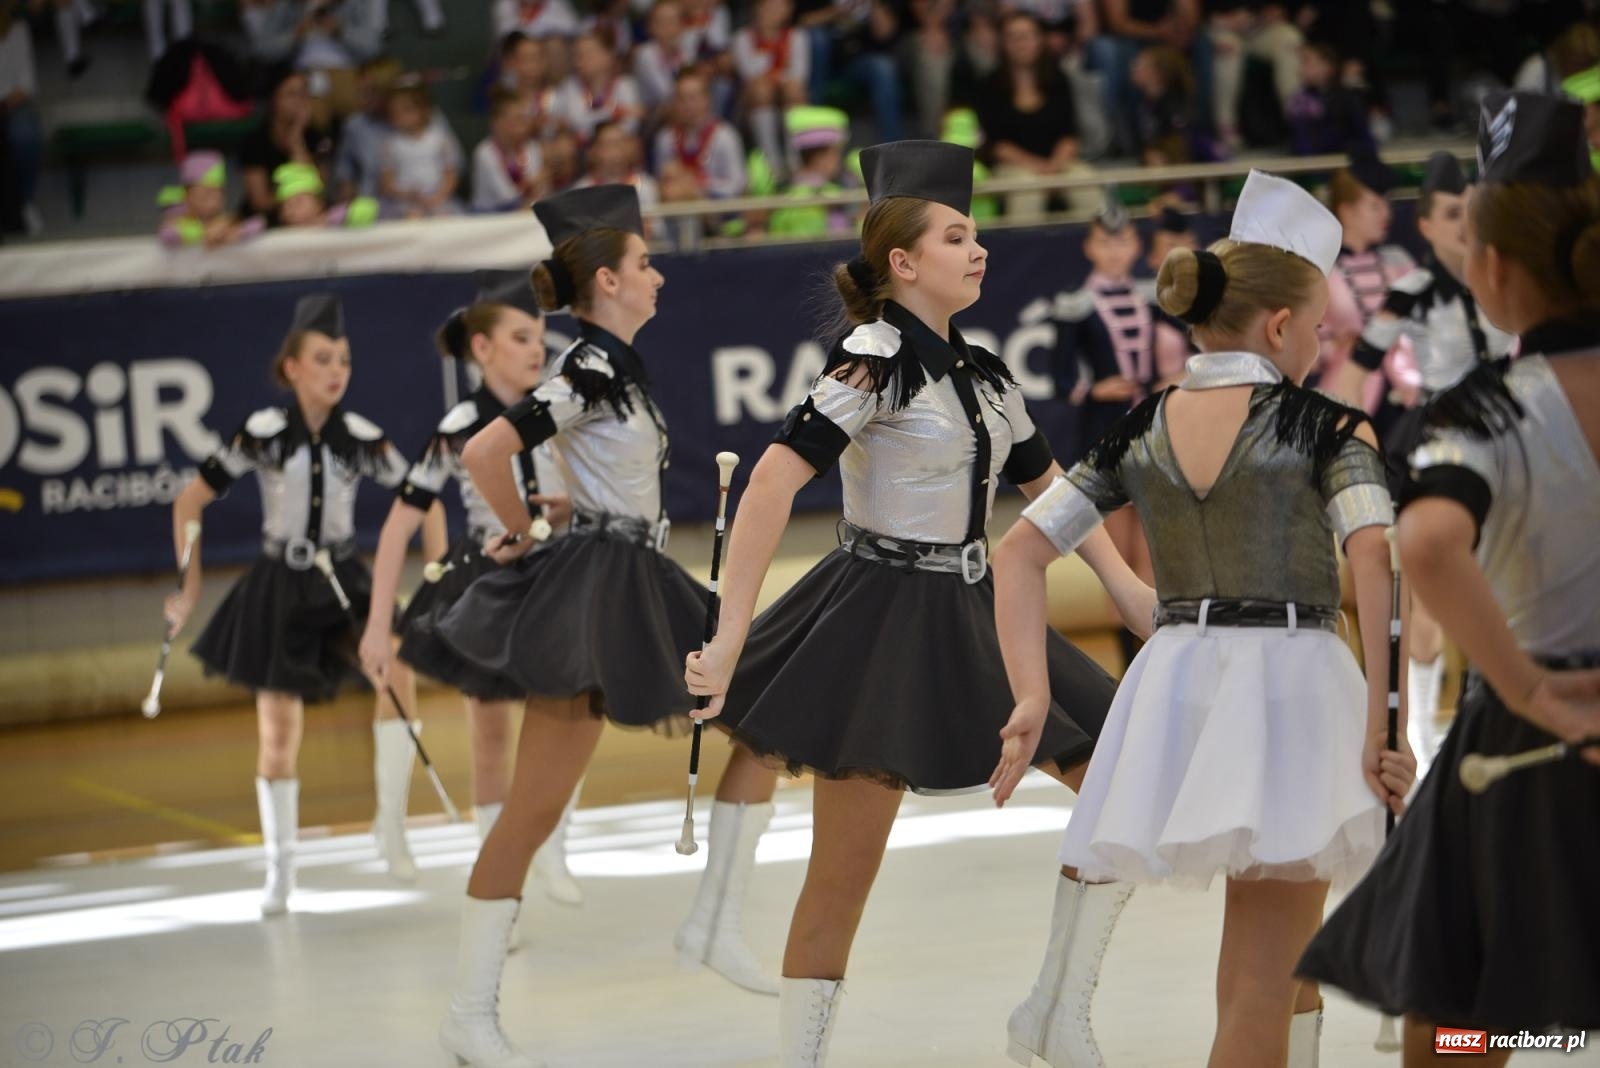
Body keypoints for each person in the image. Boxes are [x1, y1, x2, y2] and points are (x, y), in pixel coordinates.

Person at [683, 141, 1127, 1065]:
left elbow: (1053, 493)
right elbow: (769, 483)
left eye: (979, 237)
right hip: (874, 620)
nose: (980, 251)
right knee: (844, 874)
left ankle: (1054, 1007)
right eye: (957, 237)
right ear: (903, 261)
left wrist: (1130, 589)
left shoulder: (988, 372)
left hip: (976, 610)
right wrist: (729, 632)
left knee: (1119, 789)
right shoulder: (870, 360)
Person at [997, 169, 1415, 1067]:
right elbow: (1377, 564)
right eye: (1314, 326)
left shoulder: (1142, 423)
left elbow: (1019, 553)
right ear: (1278, 326)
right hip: (1291, 688)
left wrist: (1031, 694)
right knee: (1263, 983)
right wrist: (1389, 727)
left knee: (1271, 964)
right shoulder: (1327, 426)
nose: (1319, 341)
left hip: (1181, 681)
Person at [432, 185, 782, 1068]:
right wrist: (523, 529)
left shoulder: (615, 366)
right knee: (533, 811)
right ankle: (468, 1013)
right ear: (607, 279)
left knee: (771, 717)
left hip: (630, 576)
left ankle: (714, 921)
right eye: (646, 263)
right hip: (598, 584)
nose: (658, 274)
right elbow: (484, 451)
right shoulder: (588, 368)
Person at [1298, 91, 1600, 1064]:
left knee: (1472, 1009)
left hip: (1535, 723)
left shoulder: (1489, 409)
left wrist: (1521, 686)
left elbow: (1425, 542)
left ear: (1492, 267)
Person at [162, 294, 419, 916]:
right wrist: (189, 587)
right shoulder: (262, 434)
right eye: (323, 359)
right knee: (278, 733)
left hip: (342, 580)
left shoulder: (363, 439)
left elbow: (422, 497)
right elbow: (188, 503)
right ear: (293, 369)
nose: (337, 371)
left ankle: (391, 824)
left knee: (397, 676)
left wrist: (431, 569)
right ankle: (281, 870)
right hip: (280, 584)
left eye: (345, 361)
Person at [359, 271, 584, 913]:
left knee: (564, 718)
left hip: (557, 574)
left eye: (539, 336)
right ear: (483, 350)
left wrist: (573, 505)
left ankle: (556, 849)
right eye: (519, 337)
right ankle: (498, 881)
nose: (535, 349)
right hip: (486, 577)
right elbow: (400, 520)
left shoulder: (559, 409)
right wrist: (380, 624)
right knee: (488, 735)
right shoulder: (460, 423)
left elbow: (597, 488)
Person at [1325, 150, 1517, 774]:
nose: (1466, 224)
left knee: (1510, 586)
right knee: (1428, 605)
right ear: (1427, 226)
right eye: (1452, 214)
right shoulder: (1410, 288)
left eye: (1472, 211)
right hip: (1441, 444)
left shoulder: (1510, 275)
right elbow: (1355, 377)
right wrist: (1349, 454)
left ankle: (1500, 727)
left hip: (1513, 441)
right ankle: (1429, 746)